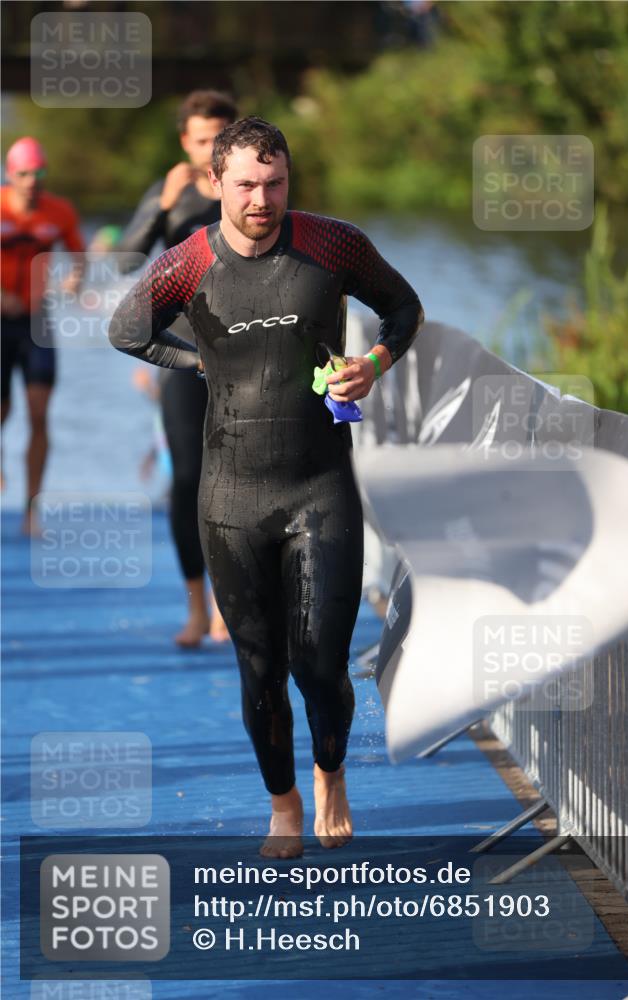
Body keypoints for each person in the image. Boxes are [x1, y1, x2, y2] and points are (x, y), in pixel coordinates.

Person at [109, 117, 423, 858]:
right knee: (259, 670)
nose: (261, 199)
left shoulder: (331, 245)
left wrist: (372, 364)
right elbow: (127, 330)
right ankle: (283, 807)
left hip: (319, 485)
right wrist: (197, 366)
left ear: (289, 179)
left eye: (274, 182)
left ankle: (330, 774)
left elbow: (403, 310)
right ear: (216, 182)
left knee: (320, 663)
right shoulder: (188, 263)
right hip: (231, 498)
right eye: (246, 184)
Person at [117, 89, 237, 647]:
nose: (210, 149)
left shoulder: (248, 188)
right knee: (188, 480)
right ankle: (197, 606)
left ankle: (231, 605)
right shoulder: (171, 189)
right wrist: (165, 205)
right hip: (183, 353)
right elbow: (125, 260)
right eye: (200, 141)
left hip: (246, 351)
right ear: (184, 143)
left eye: (220, 138)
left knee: (240, 482)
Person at [1, 137, 85, 534]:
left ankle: (31, 510)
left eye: (38, 173)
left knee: (38, 414)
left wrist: (72, 280)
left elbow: (79, 258)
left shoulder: (59, 211)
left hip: (37, 321)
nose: (31, 181)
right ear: (9, 174)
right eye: (23, 173)